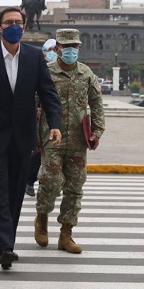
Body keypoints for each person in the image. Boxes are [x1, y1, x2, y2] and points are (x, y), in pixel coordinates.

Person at [0, 7, 62, 270]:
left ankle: (4, 242)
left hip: (23, 136)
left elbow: (48, 92)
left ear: (24, 27)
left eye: (19, 22)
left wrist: (55, 125)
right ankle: (6, 246)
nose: (14, 26)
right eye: (9, 22)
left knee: (15, 191)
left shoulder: (34, 57)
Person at [34, 28, 105, 254]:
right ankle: (42, 218)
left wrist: (97, 130)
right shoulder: (46, 73)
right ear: (57, 49)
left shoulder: (86, 74)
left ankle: (66, 234)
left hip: (78, 139)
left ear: (79, 48)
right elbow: (34, 102)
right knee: (51, 180)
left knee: (75, 187)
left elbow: (96, 103)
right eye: (66, 47)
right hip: (51, 137)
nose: (70, 51)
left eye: (74, 47)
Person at [25, 38, 58, 197]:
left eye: (55, 48)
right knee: (37, 152)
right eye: (49, 49)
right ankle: (29, 181)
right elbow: (31, 92)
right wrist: (34, 109)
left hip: (56, 118)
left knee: (56, 153)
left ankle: (54, 183)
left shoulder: (61, 69)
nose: (53, 52)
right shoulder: (38, 66)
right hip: (39, 118)